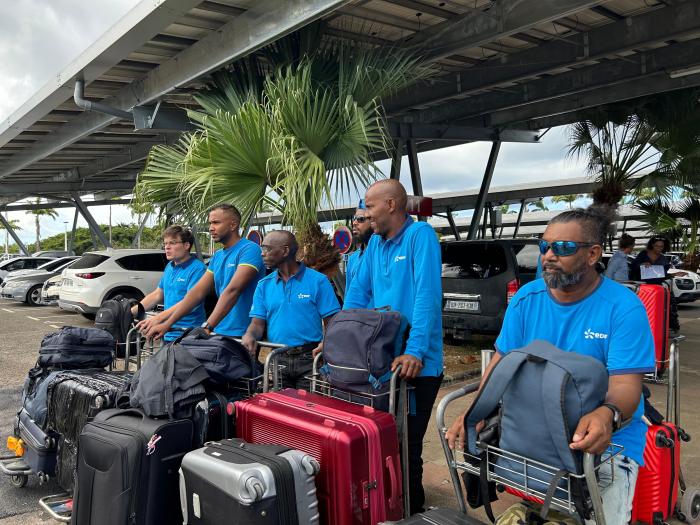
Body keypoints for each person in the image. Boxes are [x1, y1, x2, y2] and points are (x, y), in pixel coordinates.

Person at [446, 207, 655, 525]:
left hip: (608, 442)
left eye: (564, 247)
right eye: (545, 246)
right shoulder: (527, 298)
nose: (549, 255)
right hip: (539, 431)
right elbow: (502, 360)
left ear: (592, 254)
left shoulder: (623, 308)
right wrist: (477, 410)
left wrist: (605, 415)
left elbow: (626, 386)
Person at [343, 179, 443, 516]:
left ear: (391, 204)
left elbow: (426, 296)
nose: (366, 214)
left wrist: (416, 350)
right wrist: (339, 341)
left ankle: (412, 511)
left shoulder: (420, 236)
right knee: (381, 439)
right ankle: (386, 505)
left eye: (370, 207)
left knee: (405, 444)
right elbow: (358, 294)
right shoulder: (375, 245)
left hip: (417, 363)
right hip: (382, 360)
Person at [139, 204, 264, 340]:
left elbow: (233, 290)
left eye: (216, 222)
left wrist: (207, 327)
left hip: (243, 333)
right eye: (210, 223)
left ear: (233, 225)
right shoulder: (218, 256)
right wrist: (167, 323)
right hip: (219, 329)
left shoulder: (249, 249)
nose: (211, 228)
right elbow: (197, 292)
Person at [242, 230, 340, 388]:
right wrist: (250, 334)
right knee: (280, 409)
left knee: (308, 408)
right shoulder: (263, 285)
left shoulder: (318, 281)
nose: (262, 254)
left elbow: (333, 322)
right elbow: (257, 323)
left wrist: (325, 345)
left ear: (285, 251)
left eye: (267, 249)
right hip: (277, 358)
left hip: (310, 358)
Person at [133, 225, 207, 341]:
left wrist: (158, 318)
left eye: (172, 243)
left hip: (188, 335)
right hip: (167, 332)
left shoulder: (198, 269)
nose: (167, 247)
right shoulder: (170, 266)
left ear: (186, 245)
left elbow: (189, 301)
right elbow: (158, 294)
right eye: (165, 244)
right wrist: (131, 312)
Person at [630, 236, 681, 332]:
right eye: (657, 246)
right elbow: (633, 267)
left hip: (657, 287)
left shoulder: (663, 258)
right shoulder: (643, 254)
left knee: (665, 305)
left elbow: (662, 275)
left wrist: (674, 274)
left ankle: (665, 327)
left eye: (661, 247)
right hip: (643, 286)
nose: (659, 249)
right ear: (652, 245)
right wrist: (641, 264)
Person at [345, 200, 373, 306]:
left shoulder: (381, 253)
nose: (354, 223)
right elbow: (349, 295)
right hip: (359, 319)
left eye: (361, 219)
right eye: (354, 219)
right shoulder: (353, 259)